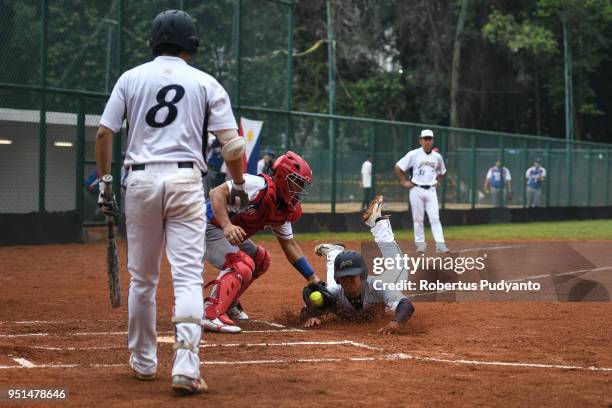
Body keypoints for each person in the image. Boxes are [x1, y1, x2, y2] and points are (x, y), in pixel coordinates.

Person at [95, 10, 248, 395]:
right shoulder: (205, 82)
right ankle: (185, 367)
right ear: (191, 44)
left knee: (143, 279)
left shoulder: (131, 78)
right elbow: (231, 144)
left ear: (154, 43)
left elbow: (103, 133)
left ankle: (144, 362)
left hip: (140, 180)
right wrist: (239, 183)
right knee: (187, 278)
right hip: (184, 181)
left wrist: (105, 184)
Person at [201, 151, 329, 333]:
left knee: (261, 259)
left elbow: (290, 245)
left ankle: (228, 304)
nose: (300, 189)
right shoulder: (256, 186)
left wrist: (312, 278)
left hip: (224, 230)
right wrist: (228, 226)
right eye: (297, 182)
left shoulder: (282, 208)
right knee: (242, 264)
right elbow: (216, 194)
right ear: (283, 176)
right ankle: (211, 313)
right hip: (206, 225)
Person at [301, 195, 415, 334]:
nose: (348, 280)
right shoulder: (333, 291)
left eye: (351, 276)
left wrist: (395, 323)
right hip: (338, 292)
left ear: (361, 276)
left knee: (399, 267)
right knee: (332, 290)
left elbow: (406, 305)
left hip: (378, 285)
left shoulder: (379, 287)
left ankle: (378, 224)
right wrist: (313, 315)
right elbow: (308, 304)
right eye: (343, 277)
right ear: (338, 279)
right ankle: (333, 253)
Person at [394, 129, 450, 253]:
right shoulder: (413, 154)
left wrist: (438, 181)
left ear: (433, 140)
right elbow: (398, 167)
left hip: (431, 191)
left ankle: (440, 245)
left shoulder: (437, 157)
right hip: (416, 189)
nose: (427, 141)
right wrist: (404, 181)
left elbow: (443, 171)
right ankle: (420, 245)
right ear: (420, 140)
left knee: (435, 218)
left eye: (430, 139)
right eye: (425, 139)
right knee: (418, 219)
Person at [204, 133, 226, 198]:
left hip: (220, 172)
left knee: (217, 192)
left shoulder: (228, 143)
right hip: (210, 169)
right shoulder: (212, 141)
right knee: (207, 191)